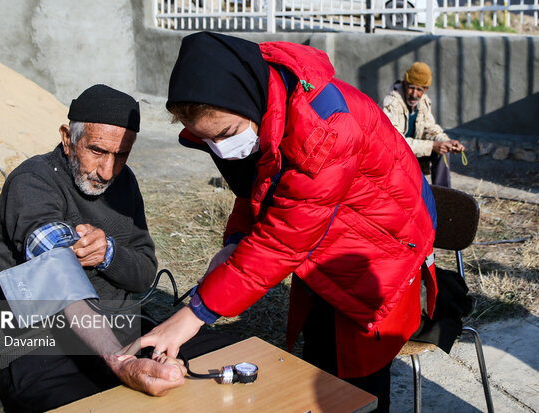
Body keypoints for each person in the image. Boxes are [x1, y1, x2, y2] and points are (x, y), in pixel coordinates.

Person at [140, 32, 438, 413]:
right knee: (319, 363)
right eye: (208, 141)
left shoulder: (325, 131)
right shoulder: (269, 97)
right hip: (335, 237)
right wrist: (234, 241)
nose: (222, 149)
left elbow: (281, 241)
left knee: (357, 381)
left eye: (226, 135)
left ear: (246, 100)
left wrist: (196, 313)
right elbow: (260, 184)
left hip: (382, 249)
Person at [0, 84, 231, 412]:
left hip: (122, 330)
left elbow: (144, 273)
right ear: (67, 139)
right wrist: (120, 363)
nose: (107, 171)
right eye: (98, 151)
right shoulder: (32, 182)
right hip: (43, 349)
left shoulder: (123, 181)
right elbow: (55, 273)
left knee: (229, 356)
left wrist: (109, 254)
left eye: (122, 155)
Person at [381, 62, 465, 187]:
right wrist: (431, 146)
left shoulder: (423, 101)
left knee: (442, 150)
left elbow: (430, 128)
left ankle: (443, 195)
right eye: (411, 88)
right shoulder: (391, 103)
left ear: (426, 90)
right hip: (393, 157)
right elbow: (395, 143)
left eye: (419, 89)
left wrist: (446, 142)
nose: (414, 94)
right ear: (404, 85)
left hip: (412, 153)